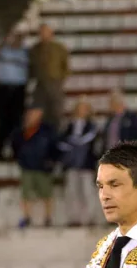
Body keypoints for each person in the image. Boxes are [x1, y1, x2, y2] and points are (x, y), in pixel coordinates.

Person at [12, 107, 58, 227]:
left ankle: (48, 218)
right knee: (26, 193)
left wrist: (51, 161)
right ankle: (26, 217)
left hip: (42, 167)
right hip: (26, 166)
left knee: (46, 193)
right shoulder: (21, 131)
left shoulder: (46, 131)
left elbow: (54, 147)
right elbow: (15, 146)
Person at [59, 98, 101, 227]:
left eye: (85, 108)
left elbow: (90, 141)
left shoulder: (92, 126)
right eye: (80, 108)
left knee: (87, 191)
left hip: (86, 163)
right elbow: (62, 142)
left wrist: (75, 142)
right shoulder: (69, 125)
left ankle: (90, 218)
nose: (82, 111)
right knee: (72, 191)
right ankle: (74, 218)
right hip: (71, 164)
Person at [0, 29, 29, 160]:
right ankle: (0, 149)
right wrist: (3, 41)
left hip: (19, 89)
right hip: (3, 88)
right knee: (3, 120)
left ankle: (16, 150)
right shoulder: (2, 51)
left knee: (17, 121)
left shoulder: (25, 52)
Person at [29, 23, 69, 130]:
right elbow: (31, 67)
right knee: (38, 111)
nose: (43, 35)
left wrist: (60, 79)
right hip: (40, 83)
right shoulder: (34, 49)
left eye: (46, 32)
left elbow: (65, 66)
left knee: (56, 111)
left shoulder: (59, 48)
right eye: (41, 32)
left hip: (55, 82)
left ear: (51, 33)